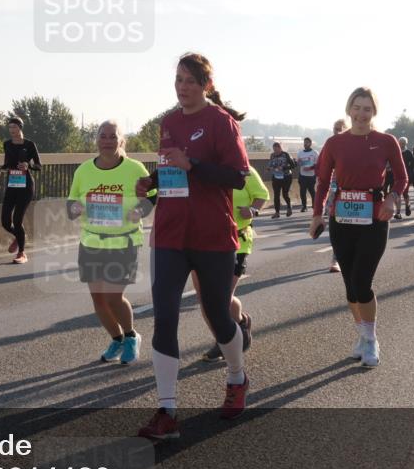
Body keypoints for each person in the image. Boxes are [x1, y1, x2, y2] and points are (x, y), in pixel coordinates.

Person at [135, 52, 251, 440]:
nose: (182, 87)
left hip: (212, 234)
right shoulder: (168, 122)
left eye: (190, 80)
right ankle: (166, 410)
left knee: (217, 315)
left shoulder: (222, 123)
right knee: (164, 318)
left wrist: (193, 166)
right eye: (178, 80)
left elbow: (236, 177)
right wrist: (151, 182)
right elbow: (173, 167)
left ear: (207, 85)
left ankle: (236, 377)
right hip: (169, 233)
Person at [310, 88, 407, 368]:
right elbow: (322, 182)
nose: (361, 114)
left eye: (367, 109)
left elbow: (401, 178)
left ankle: (371, 339)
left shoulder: (386, 141)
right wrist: (317, 215)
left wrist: (391, 198)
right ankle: (363, 337)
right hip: (342, 218)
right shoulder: (334, 143)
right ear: (349, 109)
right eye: (357, 107)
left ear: (374, 112)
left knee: (362, 283)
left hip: (374, 217)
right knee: (350, 287)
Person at [67, 121, 154, 365]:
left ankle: (131, 335)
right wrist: (75, 207)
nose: (107, 141)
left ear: (121, 141)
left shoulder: (135, 168)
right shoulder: (84, 171)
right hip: (92, 241)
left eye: (112, 136)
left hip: (123, 242)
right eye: (102, 136)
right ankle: (116, 339)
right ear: (96, 140)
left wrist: (139, 210)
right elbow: (71, 204)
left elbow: (151, 199)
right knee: (98, 299)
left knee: (113, 296)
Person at [199, 167, 269, 361]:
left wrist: (252, 210)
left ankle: (225, 341)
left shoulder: (244, 170)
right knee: (215, 298)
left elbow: (262, 195)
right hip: (207, 241)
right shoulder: (203, 169)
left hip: (238, 241)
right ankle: (240, 322)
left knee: (220, 298)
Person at [0, 117, 41, 264]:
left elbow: (39, 166)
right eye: (10, 128)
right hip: (12, 185)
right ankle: (20, 235)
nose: (12, 131)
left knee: (17, 219)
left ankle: (22, 253)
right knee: (5, 222)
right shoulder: (7, 144)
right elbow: (8, 163)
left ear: (20, 128)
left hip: (26, 186)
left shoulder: (30, 144)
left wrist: (28, 165)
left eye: (14, 127)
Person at [321, 118, 348, 273]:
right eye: (335, 128)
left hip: (354, 193)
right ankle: (335, 259)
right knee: (336, 225)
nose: (337, 131)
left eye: (340, 128)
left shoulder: (354, 144)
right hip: (334, 190)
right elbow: (321, 167)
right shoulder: (329, 144)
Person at [267, 142, 296, 218]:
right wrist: (269, 168)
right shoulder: (272, 155)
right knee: (276, 195)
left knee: (285, 194)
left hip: (286, 177)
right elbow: (270, 164)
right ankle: (277, 212)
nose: (275, 151)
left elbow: (293, 165)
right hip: (276, 177)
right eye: (274, 150)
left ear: (280, 148)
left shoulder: (286, 154)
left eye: (277, 149)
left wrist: (283, 168)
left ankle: (289, 207)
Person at [296, 138, 318, 212]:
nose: (305, 144)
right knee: (302, 191)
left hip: (311, 175)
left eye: (307, 143)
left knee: (312, 190)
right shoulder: (300, 153)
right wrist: (298, 162)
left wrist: (311, 168)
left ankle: (315, 205)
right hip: (302, 175)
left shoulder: (314, 153)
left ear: (310, 144)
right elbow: (297, 163)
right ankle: (304, 206)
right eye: (304, 142)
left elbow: (318, 164)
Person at [395, 136, 414, 220]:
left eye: (403, 143)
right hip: (396, 175)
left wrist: (411, 176)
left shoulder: (408, 153)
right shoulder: (395, 152)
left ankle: (407, 205)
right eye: (400, 143)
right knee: (397, 194)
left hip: (406, 176)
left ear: (406, 143)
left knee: (405, 193)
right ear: (398, 143)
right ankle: (398, 212)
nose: (402, 145)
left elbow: (412, 165)